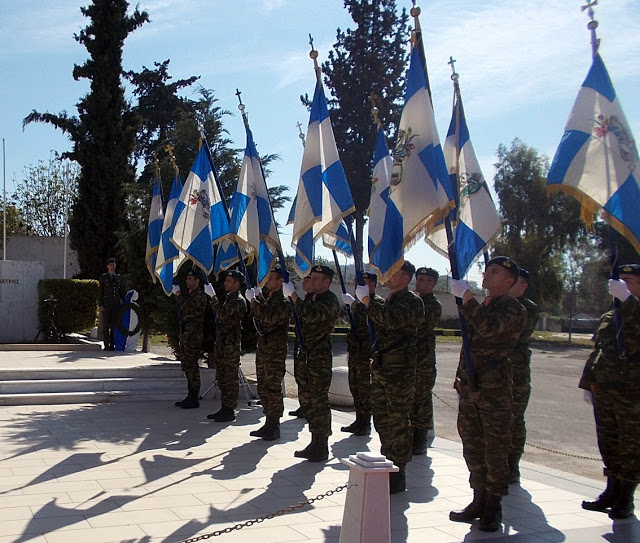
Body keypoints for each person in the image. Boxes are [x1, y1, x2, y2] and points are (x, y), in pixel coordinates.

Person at [448, 256, 527, 532]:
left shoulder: (514, 309)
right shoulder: (484, 306)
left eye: (495, 272)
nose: (487, 275)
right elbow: (469, 346)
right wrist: (460, 376)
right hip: (472, 388)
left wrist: (467, 298)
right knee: (472, 445)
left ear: (509, 281)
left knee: (495, 448)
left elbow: (489, 329)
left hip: (494, 390)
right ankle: (478, 499)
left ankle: (494, 506)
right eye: (487, 270)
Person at [355, 260, 424, 494]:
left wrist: (368, 301)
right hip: (383, 368)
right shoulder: (390, 300)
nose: (388, 275)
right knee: (382, 420)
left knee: (397, 421)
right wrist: (368, 301)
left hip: (399, 372)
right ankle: (387, 460)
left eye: (393, 272)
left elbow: (391, 321)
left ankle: (399, 471)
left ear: (405, 278)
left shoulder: (412, 302)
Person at [579, 264, 640, 520]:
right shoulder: (610, 316)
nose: (621, 285)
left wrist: (628, 300)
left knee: (631, 446)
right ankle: (611, 491)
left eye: (628, 281)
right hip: (605, 391)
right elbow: (598, 351)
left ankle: (625, 497)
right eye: (619, 281)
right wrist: (588, 382)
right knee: (609, 444)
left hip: (632, 394)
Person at [283, 265, 340, 462]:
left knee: (318, 402)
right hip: (305, 356)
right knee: (307, 400)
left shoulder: (330, 300)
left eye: (317, 278)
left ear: (327, 282)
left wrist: (294, 297)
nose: (312, 281)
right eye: (311, 278)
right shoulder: (310, 298)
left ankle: (322, 444)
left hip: (319, 358)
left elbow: (312, 315)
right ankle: (314, 441)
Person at [247, 267, 291, 441]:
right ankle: (268, 422)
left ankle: (274, 425)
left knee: (273, 388)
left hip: (275, 350)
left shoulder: (284, 301)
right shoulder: (272, 299)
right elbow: (264, 311)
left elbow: (269, 316)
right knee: (263, 386)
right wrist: (258, 298)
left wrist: (254, 302)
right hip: (265, 348)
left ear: (281, 281)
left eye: (272, 278)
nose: (268, 282)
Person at [341, 272, 383, 436]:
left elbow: (371, 318)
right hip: (356, 352)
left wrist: (354, 305)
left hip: (368, 354)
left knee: (366, 389)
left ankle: (365, 423)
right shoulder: (360, 303)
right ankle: (359, 419)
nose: (361, 286)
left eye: (365, 283)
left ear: (373, 285)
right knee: (355, 387)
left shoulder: (376, 303)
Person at [507, 268, 540, 483]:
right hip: (493, 375)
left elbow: (508, 334)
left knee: (514, 419)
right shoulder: (495, 305)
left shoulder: (527, 308)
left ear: (523, 286)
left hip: (516, 374)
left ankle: (512, 464)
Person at [204, 270, 247, 422]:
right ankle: (224, 407)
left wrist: (213, 298)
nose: (225, 283)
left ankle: (229, 410)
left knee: (230, 379)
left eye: (229, 281)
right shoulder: (229, 299)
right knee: (222, 378)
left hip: (231, 345)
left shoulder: (239, 301)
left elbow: (222, 314)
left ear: (237, 283)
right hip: (223, 344)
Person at [412, 267, 442, 455]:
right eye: (418, 279)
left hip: (423, 360)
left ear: (432, 283)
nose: (418, 282)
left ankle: (421, 439)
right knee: (411, 400)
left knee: (421, 400)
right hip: (410, 359)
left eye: (423, 279)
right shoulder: (415, 302)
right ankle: (411, 435)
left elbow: (417, 323)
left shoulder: (432, 305)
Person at [172, 269, 207, 409]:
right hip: (187, 334)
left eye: (190, 279)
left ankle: (194, 397)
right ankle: (190, 395)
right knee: (187, 366)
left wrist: (179, 295)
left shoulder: (199, 295)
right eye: (187, 278)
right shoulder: (191, 294)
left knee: (192, 366)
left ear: (197, 281)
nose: (187, 281)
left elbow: (187, 307)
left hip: (193, 336)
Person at [288, 274, 314, 419]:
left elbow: (308, 314)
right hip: (301, 343)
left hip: (311, 347)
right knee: (300, 377)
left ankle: (308, 406)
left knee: (307, 379)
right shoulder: (306, 299)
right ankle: (304, 405)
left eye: (308, 281)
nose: (304, 283)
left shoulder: (313, 301)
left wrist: (293, 296)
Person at [97, 257, 126, 351]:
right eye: (110, 265)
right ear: (107, 266)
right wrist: (100, 304)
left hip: (115, 304)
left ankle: (112, 344)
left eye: (113, 265)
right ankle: (106, 344)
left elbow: (120, 291)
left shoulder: (118, 277)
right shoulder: (103, 277)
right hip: (106, 304)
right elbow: (100, 292)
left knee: (114, 325)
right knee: (106, 325)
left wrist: (125, 301)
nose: (112, 267)